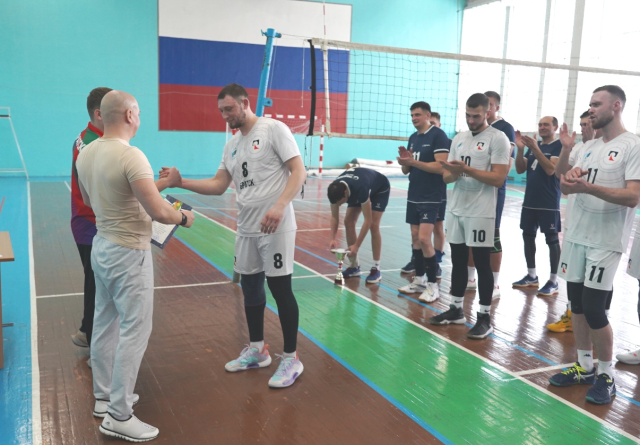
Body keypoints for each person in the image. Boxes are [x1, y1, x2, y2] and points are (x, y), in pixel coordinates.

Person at [161, 83, 307, 389]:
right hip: (247, 228)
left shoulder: (273, 129)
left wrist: (280, 206)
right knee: (250, 288)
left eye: (229, 109)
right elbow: (219, 185)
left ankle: (291, 358)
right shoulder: (231, 146)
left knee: (280, 290)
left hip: (276, 226)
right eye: (221, 111)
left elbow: (299, 171)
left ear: (245, 103)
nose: (225, 116)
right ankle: (257, 350)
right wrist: (180, 182)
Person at [77, 90, 194, 441]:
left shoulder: (87, 152)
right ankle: (119, 414)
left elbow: (95, 198)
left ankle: (104, 398)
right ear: (129, 115)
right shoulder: (131, 155)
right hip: (129, 254)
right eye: (138, 112)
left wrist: (159, 188)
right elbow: (158, 211)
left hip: (102, 247)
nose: (140, 118)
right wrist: (183, 217)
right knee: (134, 330)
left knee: (104, 323)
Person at [548, 85, 640, 405]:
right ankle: (584, 366)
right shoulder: (587, 146)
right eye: (590, 104)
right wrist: (569, 169)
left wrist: (588, 187)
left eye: (596, 104)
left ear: (616, 106)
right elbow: (564, 185)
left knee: (594, 308)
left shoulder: (632, 145)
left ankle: (606, 375)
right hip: (576, 236)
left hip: (606, 240)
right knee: (576, 305)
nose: (591, 110)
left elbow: (633, 196)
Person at [428, 93, 510, 338]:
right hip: (457, 209)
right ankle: (456, 310)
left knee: (482, 264)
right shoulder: (459, 138)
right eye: (467, 115)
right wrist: (453, 172)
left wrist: (467, 169)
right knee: (459, 261)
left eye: (476, 116)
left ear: (487, 113)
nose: (471, 120)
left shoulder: (498, 138)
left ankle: (484, 317)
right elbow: (447, 178)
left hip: (481, 212)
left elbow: (498, 179)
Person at [549, 110, 604, 333]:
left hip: (600, 230)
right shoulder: (579, 148)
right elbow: (559, 173)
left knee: (596, 287)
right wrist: (565, 149)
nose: (584, 128)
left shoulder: (615, 148)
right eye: (581, 124)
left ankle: (599, 323)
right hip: (575, 226)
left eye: (587, 123)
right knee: (574, 278)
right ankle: (572, 315)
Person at [70, 87, 112, 351]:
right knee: (96, 282)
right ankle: (92, 338)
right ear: (99, 114)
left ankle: (89, 332)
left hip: (87, 221)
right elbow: (99, 193)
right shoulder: (92, 145)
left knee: (96, 280)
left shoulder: (90, 138)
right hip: (89, 223)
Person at [396, 101, 450, 302]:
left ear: (428, 115)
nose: (414, 118)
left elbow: (441, 167)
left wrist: (414, 162)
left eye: (417, 115)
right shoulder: (413, 138)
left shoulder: (438, 135)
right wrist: (405, 162)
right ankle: (418, 280)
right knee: (415, 237)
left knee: (425, 239)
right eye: (412, 115)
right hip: (414, 194)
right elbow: (407, 170)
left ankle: (433, 285)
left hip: (431, 195)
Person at [466, 91, 515, 298]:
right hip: (471, 192)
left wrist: (494, 176)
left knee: (493, 236)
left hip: (493, 192)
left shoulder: (504, 129)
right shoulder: (472, 130)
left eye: (492, 105)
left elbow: (506, 165)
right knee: (469, 235)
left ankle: (494, 284)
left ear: (494, 108)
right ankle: (470, 278)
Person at [512, 116, 562, 296]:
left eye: (546, 124)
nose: (542, 127)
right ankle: (532, 276)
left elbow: (551, 170)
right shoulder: (535, 145)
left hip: (548, 202)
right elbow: (520, 169)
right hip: (530, 201)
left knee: (552, 240)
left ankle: (554, 281)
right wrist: (520, 150)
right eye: (540, 125)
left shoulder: (559, 145)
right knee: (527, 236)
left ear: (555, 127)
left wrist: (534, 148)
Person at [327, 167, 390, 283]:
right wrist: (332, 238)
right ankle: (354, 266)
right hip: (357, 188)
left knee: (374, 225)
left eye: (341, 202)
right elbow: (334, 217)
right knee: (348, 221)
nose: (339, 205)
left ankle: (376, 268)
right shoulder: (334, 190)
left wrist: (357, 245)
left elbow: (368, 220)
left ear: (345, 193)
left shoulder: (360, 188)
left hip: (379, 188)